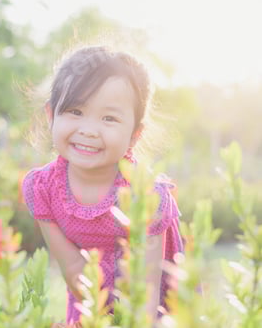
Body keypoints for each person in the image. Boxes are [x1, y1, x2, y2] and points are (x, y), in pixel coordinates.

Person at [21, 45, 183, 325]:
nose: (88, 130)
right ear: (51, 116)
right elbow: (73, 271)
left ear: (134, 134)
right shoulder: (42, 188)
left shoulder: (146, 197)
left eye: (109, 118)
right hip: (89, 298)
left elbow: (145, 293)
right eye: (75, 110)